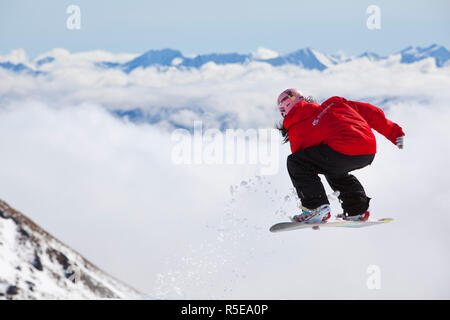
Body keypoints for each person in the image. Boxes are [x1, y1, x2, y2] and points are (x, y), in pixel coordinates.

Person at [276, 89, 404, 223]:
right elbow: (370, 112)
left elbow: (303, 164)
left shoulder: (297, 128)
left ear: (284, 111)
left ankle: (315, 209)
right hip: (368, 149)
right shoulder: (335, 103)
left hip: (344, 150)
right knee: (331, 168)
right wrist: (394, 132)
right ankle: (357, 209)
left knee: (296, 162)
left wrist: (310, 196)